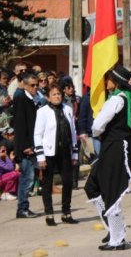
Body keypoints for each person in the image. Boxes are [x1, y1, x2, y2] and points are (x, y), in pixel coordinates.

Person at [84, 65, 131, 251]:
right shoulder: (124, 97)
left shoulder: (116, 99)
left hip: (114, 147)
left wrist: (97, 132)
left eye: (108, 79)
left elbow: (97, 126)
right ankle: (113, 228)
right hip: (112, 147)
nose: (106, 82)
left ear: (116, 81)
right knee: (92, 186)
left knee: (111, 191)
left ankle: (117, 239)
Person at [34, 85, 79, 226]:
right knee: (47, 183)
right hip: (49, 152)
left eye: (59, 94)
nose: (57, 96)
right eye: (54, 94)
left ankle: (66, 212)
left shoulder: (68, 109)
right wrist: (40, 156)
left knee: (68, 182)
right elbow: (37, 134)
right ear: (48, 97)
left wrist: (75, 152)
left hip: (65, 150)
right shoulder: (42, 111)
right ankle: (49, 214)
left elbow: (73, 131)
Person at [13, 73, 39, 219]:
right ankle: (22, 208)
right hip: (25, 146)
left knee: (30, 177)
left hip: (32, 144)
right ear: (24, 85)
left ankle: (24, 206)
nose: (35, 87)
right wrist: (25, 145)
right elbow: (20, 124)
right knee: (27, 177)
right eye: (32, 85)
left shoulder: (32, 99)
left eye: (36, 85)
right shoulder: (21, 98)